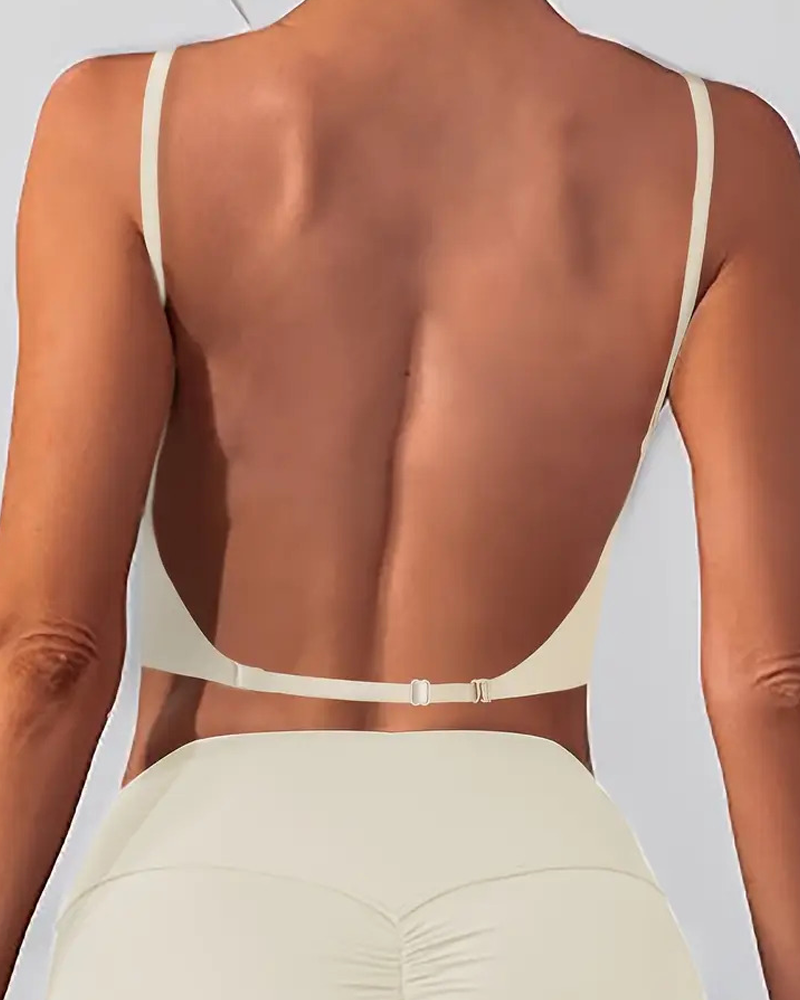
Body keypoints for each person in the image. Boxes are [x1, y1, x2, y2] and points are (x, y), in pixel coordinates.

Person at [1, 0, 799, 996]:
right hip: (557, 907)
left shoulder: (120, 124)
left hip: (200, 898)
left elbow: (50, 656)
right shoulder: (722, 153)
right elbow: (773, 681)